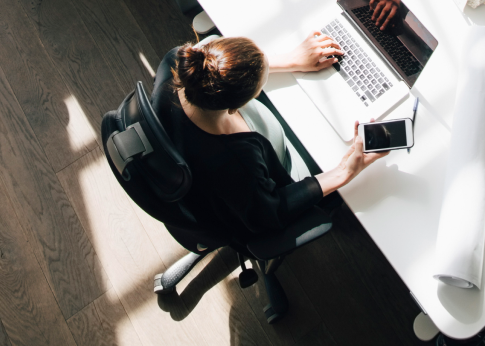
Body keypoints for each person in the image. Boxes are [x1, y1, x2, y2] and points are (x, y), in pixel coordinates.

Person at [157, 34, 386, 238]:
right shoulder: (236, 159)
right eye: (260, 85)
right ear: (237, 106)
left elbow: (212, 48)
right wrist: (344, 172)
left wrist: (291, 60)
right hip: (243, 202)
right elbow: (270, 213)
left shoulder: (176, 63)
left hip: (176, 169)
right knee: (326, 153)